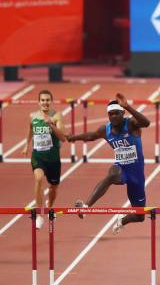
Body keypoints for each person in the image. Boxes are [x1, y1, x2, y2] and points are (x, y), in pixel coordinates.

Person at [66, 93, 150, 233]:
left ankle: (122, 220)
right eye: (110, 114)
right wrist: (73, 137)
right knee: (111, 175)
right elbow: (91, 136)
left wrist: (128, 106)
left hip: (137, 173)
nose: (113, 117)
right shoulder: (106, 130)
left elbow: (146, 123)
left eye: (116, 114)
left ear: (122, 113)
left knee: (140, 216)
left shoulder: (131, 124)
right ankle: (85, 207)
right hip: (121, 167)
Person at [22, 90, 66, 229]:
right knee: (39, 179)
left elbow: (63, 137)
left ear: (50, 102)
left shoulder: (57, 116)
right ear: (39, 102)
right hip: (38, 156)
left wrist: (51, 124)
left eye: (47, 100)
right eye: (43, 100)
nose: (45, 102)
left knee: (53, 188)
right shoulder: (32, 116)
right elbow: (30, 130)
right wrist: (26, 145)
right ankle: (40, 214)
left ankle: (49, 207)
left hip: (53, 159)